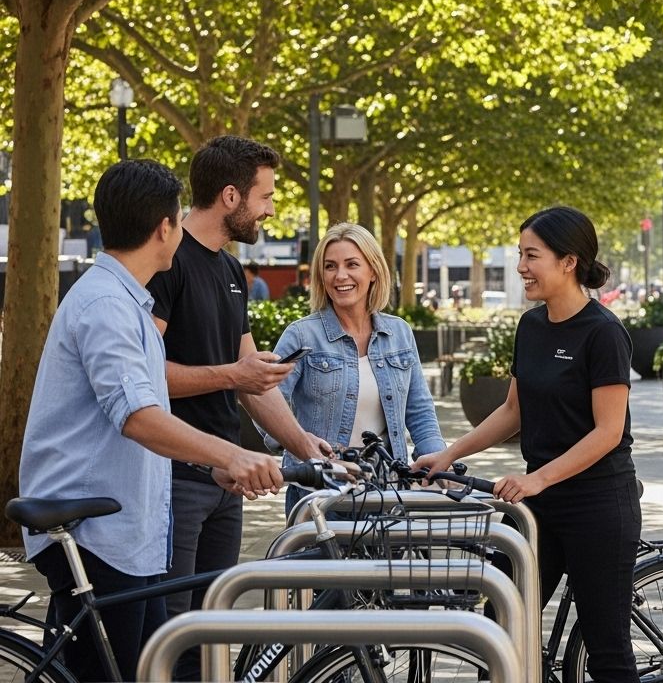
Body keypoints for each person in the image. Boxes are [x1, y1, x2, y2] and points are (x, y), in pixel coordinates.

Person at [18, 160, 284, 682]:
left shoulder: (130, 304)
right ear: (165, 228)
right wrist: (231, 453)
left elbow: (147, 416)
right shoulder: (105, 306)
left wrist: (212, 469)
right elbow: (138, 418)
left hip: (128, 533)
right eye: (178, 218)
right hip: (98, 534)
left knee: (154, 667)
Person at [414, 206, 640, 682]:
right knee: (498, 632)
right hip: (538, 505)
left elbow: (608, 432)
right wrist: (448, 455)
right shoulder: (531, 327)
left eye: (531, 255)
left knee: (607, 652)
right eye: (520, 254)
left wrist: (536, 478)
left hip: (598, 503)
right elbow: (513, 410)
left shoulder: (604, 333)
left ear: (568, 261)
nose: (520, 267)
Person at [146, 135, 330, 679]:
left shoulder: (231, 272)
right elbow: (143, 379)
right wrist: (235, 374)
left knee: (210, 630)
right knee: (172, 636)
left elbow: (251, 380)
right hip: (174, 477)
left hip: (227, 480)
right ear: (230, 196)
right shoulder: (167, 261)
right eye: (266, 196)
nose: (272, 209)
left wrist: (306, 446)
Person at [273, 223, 446, 512]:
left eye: (352, 264)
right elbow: (264, 401)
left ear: (373, 271)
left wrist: (438, 461)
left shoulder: (399, 333)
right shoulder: (301, 335)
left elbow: (420, 411)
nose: (340, 275)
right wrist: (301, 443)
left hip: (388, 493)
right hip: (321, 495)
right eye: (330, 266)